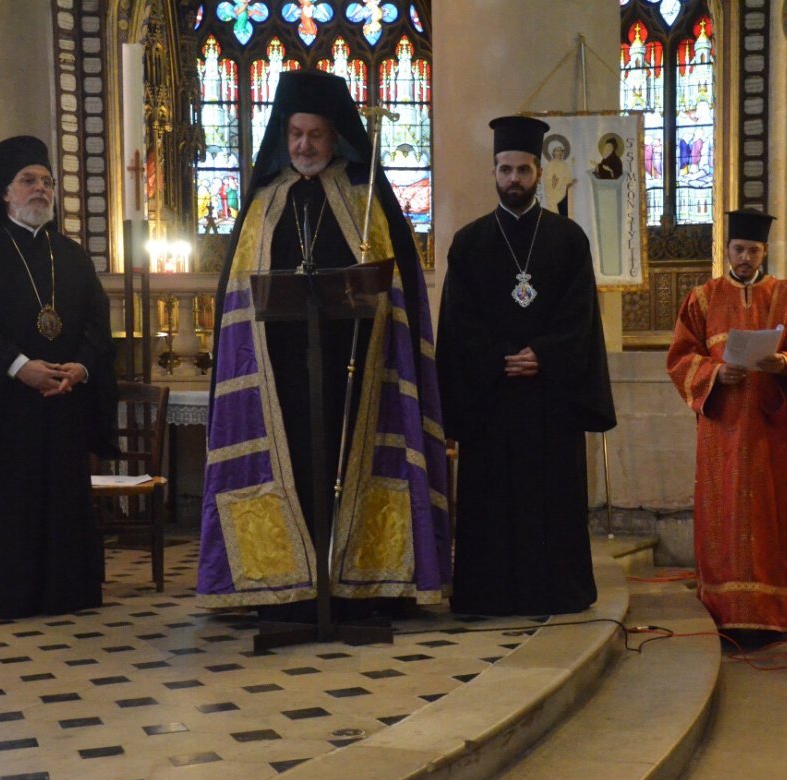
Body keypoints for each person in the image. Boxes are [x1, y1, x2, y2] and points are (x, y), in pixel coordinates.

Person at [198, 70, 450, 612]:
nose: (303, 146)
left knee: (351, 458)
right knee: (291, 459)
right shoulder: (264, 202)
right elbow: (240, 297)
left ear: (334, 136)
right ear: (282, 136)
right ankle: (283, 587)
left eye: (314, 135)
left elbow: (397, 289)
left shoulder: (365, 200)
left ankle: (360, 585)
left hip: (357, 368)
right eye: (295, 135)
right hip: (279, 374)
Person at [436, 115, 615, 616]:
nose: (513, 178)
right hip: (491, 402)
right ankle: (488, 594)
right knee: (491, 501)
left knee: (551, 502)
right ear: (493, 172)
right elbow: (458, 321)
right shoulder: (469, 243)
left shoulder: (568, 239)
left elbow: (580, 316)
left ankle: (557, 592)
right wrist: (499, 358)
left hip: (548, 401)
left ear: (540, 172)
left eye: (523, 169)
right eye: (505, 169)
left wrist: (544, 354)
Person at [0, 135, 117, 618]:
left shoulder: (73, 256)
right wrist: (21, 368)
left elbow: (98, 324)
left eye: (47, 182)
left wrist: (79, 367)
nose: (41, 189)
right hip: (5, 410)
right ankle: (5, 596)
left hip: (63, 404)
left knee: (60, 500)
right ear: (4, 192)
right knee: (8, 502)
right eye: (28, 181)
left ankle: (66, 592)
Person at [665, 208, 787, 646]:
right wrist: (715, 374)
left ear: (765, 251)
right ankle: (725, 614)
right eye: (738, 249)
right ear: (727, 250)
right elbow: (679, 358)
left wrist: (783, 364)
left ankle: (774, 614)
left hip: (773, 433)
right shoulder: (702, 299)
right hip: (723, 434)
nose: (745, 257)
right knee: (725, 518)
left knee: (772, 518)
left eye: (753, 250)